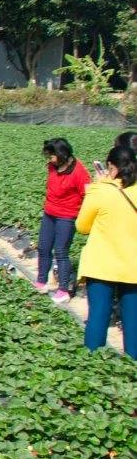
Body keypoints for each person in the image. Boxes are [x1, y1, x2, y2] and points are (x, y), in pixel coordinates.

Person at [76, 146, 137, 357]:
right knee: (133, 321)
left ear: (110, 166)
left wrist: (97, 185)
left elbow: (82, 227)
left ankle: (94, 366)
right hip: (133, 266)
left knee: (99, 316)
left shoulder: (101, 191)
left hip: (102, 264)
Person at [38, 139, 90, 302]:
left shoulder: (79, 172)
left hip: (67, 216)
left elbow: (87, 196)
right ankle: (41, 281)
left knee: (61, 251)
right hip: (49, 213)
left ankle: (63, 290)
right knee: (43, 247)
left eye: (51, 156)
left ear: (61, 155)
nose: (49, 159)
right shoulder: (52, 166)